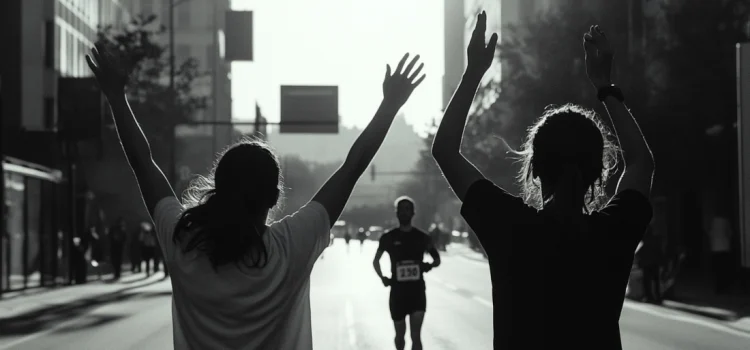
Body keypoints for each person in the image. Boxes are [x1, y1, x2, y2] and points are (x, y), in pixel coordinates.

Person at [85, 43, 425, 349]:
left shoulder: (181, 240)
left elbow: (142, 163)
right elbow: (352, 167)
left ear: (219, 187)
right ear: (273, 195)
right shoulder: (292, 245)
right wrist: (390, 105)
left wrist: (116, 96)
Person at [431, 13, 654, 349]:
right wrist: (605, 87)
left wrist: (474, 72)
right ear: (599, 171)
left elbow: (445, 151)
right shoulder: (613, 232)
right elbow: (641, 162)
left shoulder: (510, 227)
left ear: (534, 169)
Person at [373, 196, 441, 350]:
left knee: (416, 336)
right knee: (400, 336)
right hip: (397, 293)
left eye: (407, 209)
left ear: (413, 213)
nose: (404, 213)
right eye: (401, 210)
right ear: (396, 213)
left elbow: (437, 259)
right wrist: (383, 278)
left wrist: (426, 266)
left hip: (417, 292)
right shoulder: (388, 238)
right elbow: (375, 261)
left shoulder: (423, 237)